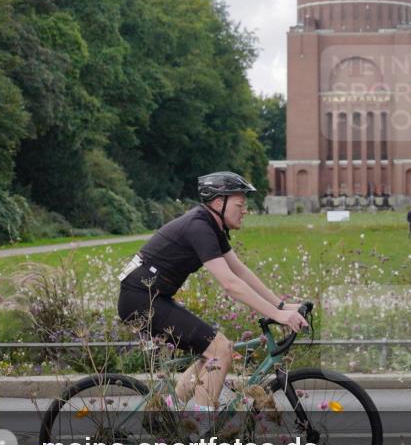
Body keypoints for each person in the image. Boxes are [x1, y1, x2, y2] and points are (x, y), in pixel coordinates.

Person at [117, 171, 309, 410]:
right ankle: (201, 432)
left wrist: (280, 306)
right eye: (240, 204)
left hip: (152, 297)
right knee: (220, 349)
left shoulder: (211, 226)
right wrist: (278, 315)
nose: (245, 210)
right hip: (140, 299)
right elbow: (230, 283)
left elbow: (240, 271)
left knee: (211, 351)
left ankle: (169, 413)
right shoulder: (199, 226)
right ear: (219, 202)